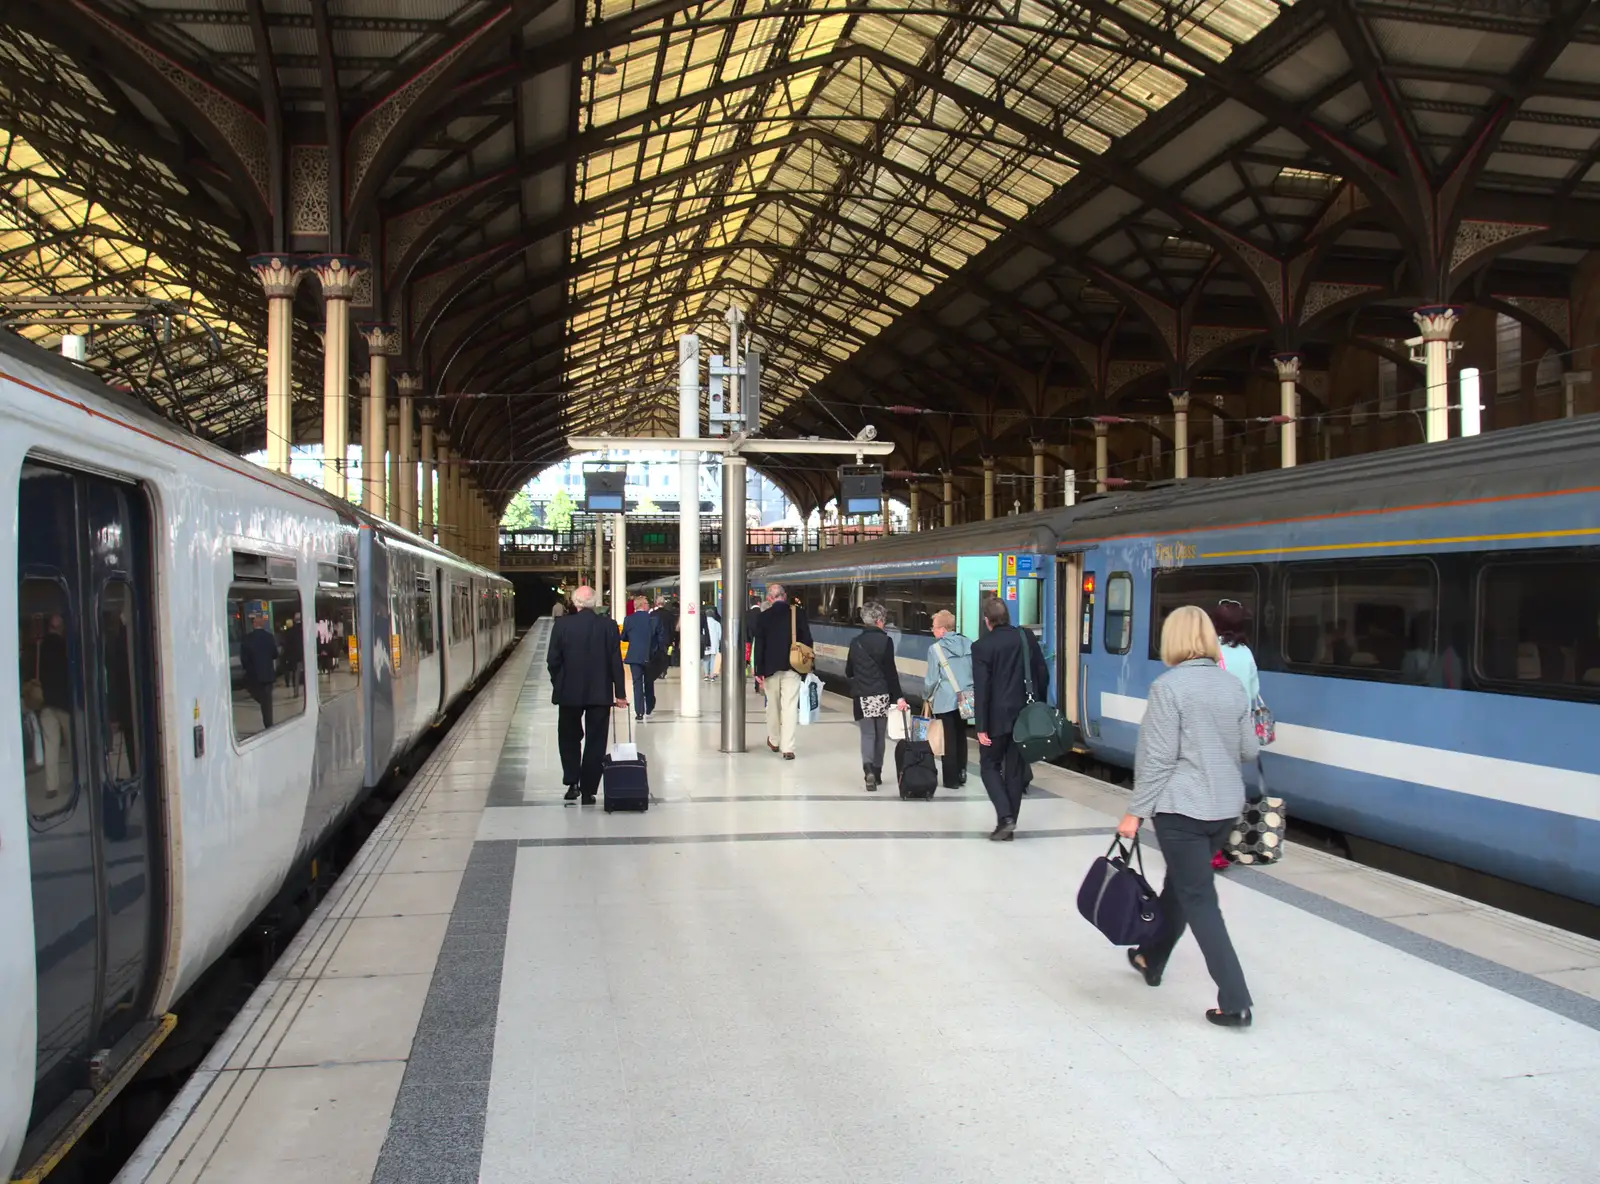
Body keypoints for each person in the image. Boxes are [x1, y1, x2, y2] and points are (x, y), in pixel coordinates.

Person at [1118, 605, 1260, 1028]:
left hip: (1182, 811)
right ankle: (1151, 957)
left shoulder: (1168, 687)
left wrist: (1134, 814)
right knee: (1180, 888)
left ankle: (1235, 1000)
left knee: (1199, 899)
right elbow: (1250, 750)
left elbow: (1157, 761)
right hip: (1224, 811)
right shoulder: (1233, 686)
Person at [971, 596, 1048, 841]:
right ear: (1008, 617)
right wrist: (1038, 706)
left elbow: (982, 689)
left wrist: (981, 726)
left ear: (987, 621)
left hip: (995, 719)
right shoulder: (1026, 639)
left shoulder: (982, 646)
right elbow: (1042, 675)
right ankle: (1009, 824)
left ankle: (1005, 818)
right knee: (1015, 770)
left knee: (988, 766)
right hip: (1024, 716)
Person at [546, 585, 628, 804]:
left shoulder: (562, 625)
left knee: (569, 737)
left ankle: (572, 783)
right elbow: (615, 661)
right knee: (596, 740)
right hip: (599, 694)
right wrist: (619, 694)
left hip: (569, 694)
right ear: (595, 602)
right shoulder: (608, 626)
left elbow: (553, 660)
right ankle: (589, 790)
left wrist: (559, 683)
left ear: (575, 603)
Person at [846, 601, 907, 790]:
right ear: (879, 620)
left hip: (862, 695)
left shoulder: (855, 642)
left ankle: (868, 770)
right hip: (881, 694)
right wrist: (898, 696)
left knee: (867, 734)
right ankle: (878, 773)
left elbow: (849, 671)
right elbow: (890, 672)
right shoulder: (886, 641)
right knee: (880, 735)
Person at [751, 582, 813, 760]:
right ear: (784, 596)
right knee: (790, 706)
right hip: (793, 667)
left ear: (770, 599)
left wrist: (758, 670)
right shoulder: (798, 614)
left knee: (772, 706)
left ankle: (774, 740)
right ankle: (788, 748)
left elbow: (760, 645)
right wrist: (805, 667)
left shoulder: (764, 617)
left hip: (770, 669)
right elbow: (807, 640)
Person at [923, 609, 974, 790]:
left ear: (943, 629)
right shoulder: (968, 643)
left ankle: (951, 779)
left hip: (945, 699)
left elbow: (932, 679)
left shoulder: (935, 649)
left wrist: (926, 696)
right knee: (961, 736)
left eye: (934, 627)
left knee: (948, 739)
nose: (933, 631)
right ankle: (962, 772)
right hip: (966, 697)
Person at [35, 613, 72, 797]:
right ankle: (77, 779)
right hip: (65, 704)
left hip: (46, 703)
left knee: (50, 746)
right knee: (73, 744)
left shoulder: (41, 648)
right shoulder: (66, 647)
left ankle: (51, 787)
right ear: (60, 627)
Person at [621, 595, 660, 720]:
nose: (648, 605)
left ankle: (639, 712)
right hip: (649, 655)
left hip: (634, 656)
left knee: (637, 683)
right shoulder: (652, 619)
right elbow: (656, 637)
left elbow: (623, 637)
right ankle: (649, 706)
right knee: (649, 682)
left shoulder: (628, 619)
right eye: (647, 603)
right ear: (643, 605)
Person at [239, 611, 279, 730]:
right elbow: (275, 654)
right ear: (262, 623)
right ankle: (269, 725)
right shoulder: (269, 637)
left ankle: (264, 709)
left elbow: (244, 659)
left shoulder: (248, 639)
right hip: (267, 675)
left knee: (260, 696)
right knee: (267, 701)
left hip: (253, 676)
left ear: (254, 624)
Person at [702, 606, 722, 681]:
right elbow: (720, 636)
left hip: (706, 643)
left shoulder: (703, 623)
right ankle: (712, 675)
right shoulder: (717, 623)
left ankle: (706, 674)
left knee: (706, 658)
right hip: (714, 644)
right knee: (713, 658)